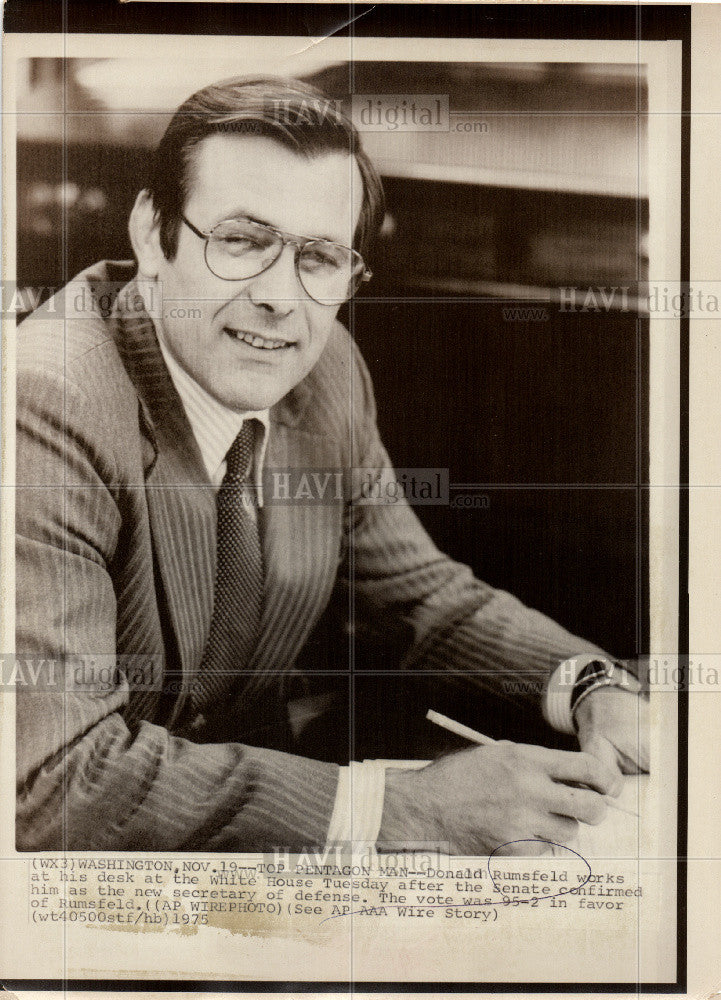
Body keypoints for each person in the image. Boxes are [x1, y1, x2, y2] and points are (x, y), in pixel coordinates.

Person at [15, 76, 648, 854]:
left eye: (319, 257)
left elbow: (421, 598)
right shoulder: (44, 405)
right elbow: (53, 782)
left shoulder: (322, 366)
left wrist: (592, 684)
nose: (281, 297)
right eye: (242, 241)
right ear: (152, 233)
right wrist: (396, 808)